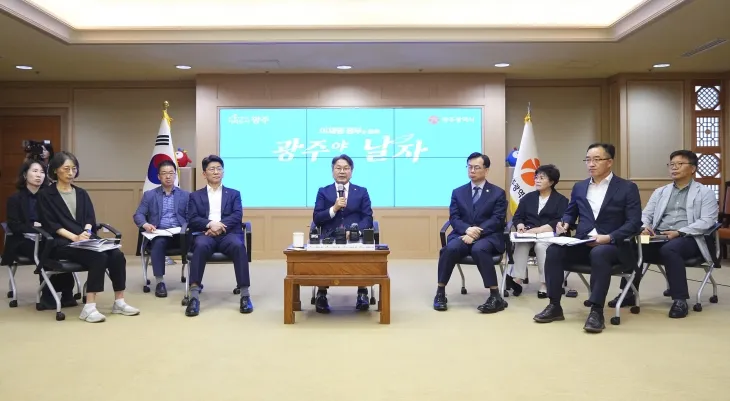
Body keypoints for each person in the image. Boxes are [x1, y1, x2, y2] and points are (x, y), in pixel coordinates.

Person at [533, 143, 641, 333]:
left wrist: (609, 237)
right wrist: (565, 223)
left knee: (600, 253)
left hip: (614, 246)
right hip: (583, 243)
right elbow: (570, 212)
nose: (591, 164)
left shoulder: (627, 187)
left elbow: (634, 223)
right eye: (588, 159)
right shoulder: (580, 186)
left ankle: (596, 311)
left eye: (596, 159)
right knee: (554, 250)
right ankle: (554, 305)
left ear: (609, 162)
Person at [607, 150, 718, 318]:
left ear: (692, 168)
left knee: (670, 249)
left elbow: (708, 221)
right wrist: (644, 227)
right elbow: (646, 215)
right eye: (671, 164)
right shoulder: (661, 191)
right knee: (633, 244)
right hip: (659, 237)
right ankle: (629, 292)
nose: (674, 168)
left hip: (689, 238)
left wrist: (679, 232)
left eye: (679, 164)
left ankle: (680, 300)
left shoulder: (705, 192)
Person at [37, 151, 139, 323]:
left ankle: (119, 301)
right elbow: (50, 224)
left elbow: (90, 219)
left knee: (116, 255)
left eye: (74, 169)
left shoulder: (81, 193)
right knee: (98, 257)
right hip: (61, 243)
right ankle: (89, 307)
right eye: (66, 169)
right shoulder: (45, 195)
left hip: (84, 240)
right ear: (55, 170)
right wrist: (74, 237)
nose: (71, 173)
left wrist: (86, 231)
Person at [433, 152, 507, 313]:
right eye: (469, 167)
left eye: (476, 167)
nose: (472, 171)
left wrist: (475, 233)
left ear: (486, 170)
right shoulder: (458, 192)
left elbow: (497, 219)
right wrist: (467, 230)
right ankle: (440, 292)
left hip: (489, 236)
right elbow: (454, 218)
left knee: (479, 249)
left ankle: (495, 296)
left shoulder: (498, 193)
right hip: (462, 234)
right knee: (449, 249)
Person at [1, 159, 76, 309]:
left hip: (48, 237)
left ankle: (67, 293)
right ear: (25, 175)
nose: (39, 175)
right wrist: (34, 228)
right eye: (35, 171)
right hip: (23, 240)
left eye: (42, 172)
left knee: (60, 248)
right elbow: (14, 225)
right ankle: (47, 295)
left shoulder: (50, 196)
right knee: (45, 251)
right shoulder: (15, 198)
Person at [185, 155, 252, 317]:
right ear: (204, 174)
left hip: (228, 233)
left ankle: (245, 295)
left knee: (238, 246)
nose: (216, 172)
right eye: (212, 169)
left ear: (223, 172)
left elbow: (237, 215)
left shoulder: (234, 194)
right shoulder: (195, 196)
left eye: (219, 169)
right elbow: (192, 218)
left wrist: (219, 226)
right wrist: (210, 224)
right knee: (200, 246)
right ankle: (194, 296)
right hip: (205, 234)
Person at [312, 154, 374, 313]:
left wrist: (354, 231)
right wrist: (334, 208)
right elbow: (317, 218)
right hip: (329, 236)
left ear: (351, 171)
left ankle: (362, 292)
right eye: (338, 168)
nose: (342, 171)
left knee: (361, 255)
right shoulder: (323, 192)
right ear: (332, 171)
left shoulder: (361, 192)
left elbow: (368, 218)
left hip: (354, 237)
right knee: (322, 258)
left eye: (346, 168)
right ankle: (321, 294)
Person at [506, 164, 569, 298]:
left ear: (551, 182)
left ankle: (545, 283)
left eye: (542, 178)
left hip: (548, 235)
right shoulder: (528, 198)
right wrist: (520, 225)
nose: (537, 180)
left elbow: (560, 220)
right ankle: (517, 279)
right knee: (521, 244)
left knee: (541, 246)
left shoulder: (561, 200)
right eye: (536, 177)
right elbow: (518, 216)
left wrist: (540, 229)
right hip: (529, 234)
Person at [133, 160, 189, 298]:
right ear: (159, 176)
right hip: (159, 232)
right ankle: (160, 282)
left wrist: (186, 227)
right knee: (158, 243)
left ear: (175, 175)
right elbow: (138, 214)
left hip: (180, 233)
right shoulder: (150, 195)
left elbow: (190, 216)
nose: (168, 176)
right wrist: (145, 224)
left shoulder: (185, 195)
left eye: (171, 173)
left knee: (197, 242)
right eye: (164, 173)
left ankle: (194, 281)